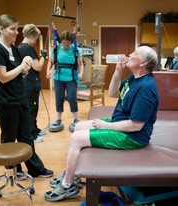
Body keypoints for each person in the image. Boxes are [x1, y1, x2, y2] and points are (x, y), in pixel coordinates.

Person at [44, 46, 159, 201]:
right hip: (120, 124)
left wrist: (108, 126)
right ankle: (73, 174)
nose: (129, 54)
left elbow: (136, 125)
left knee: (76, 139)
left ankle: (67, 185)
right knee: (78, 127)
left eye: (135, 54)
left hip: (132, 136)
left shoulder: (146, 88)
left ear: (143, 63)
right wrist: (118, 69)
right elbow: (113, 93)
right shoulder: (133, 79)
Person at [0, 14, 53, 178]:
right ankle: (13, 171)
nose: (17, 32)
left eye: (17, 29)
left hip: (20, 99)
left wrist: (25, 69)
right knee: (9, 139)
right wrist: (22, 67)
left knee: (27, 136)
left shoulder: (14, 49)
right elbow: (3, 77)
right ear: (1, 29)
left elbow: (18, 76)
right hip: (5, 102)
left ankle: (36, 169)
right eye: (13, 29)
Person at [46, 30, 84, 131]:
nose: (66, 45)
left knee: (72, 98)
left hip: (71, 78)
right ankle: (58, 120)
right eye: (63, 43)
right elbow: (50, 61)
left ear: (71, 42)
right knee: (59, 98)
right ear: (60, 42)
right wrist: (48, 71)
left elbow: (80, 64)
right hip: (58, 78)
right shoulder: (56, 49)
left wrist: (81, 73)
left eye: (68, 43)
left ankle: (76, 119)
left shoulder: (75, 49)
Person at [18, 24, 47, 143]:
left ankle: (35, 129)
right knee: (31, 109)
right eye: (35, 39)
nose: (35, 41)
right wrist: (43, 57)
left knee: (32, 108)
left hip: (27, 84)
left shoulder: (19, 47)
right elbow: (38, 67)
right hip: (30, 85)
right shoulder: (28, 49)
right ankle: (32, 135)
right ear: (31, 36)